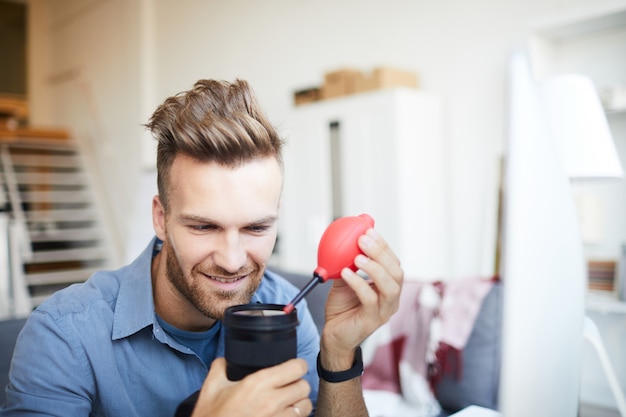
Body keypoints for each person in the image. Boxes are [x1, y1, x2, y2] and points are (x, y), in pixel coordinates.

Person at [0, 79, 403, 417]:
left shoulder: (283, 308)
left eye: (256, 227)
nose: (231, 261)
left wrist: (338, 353)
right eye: (203, 226)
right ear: (160, 218)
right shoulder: (63, 336)